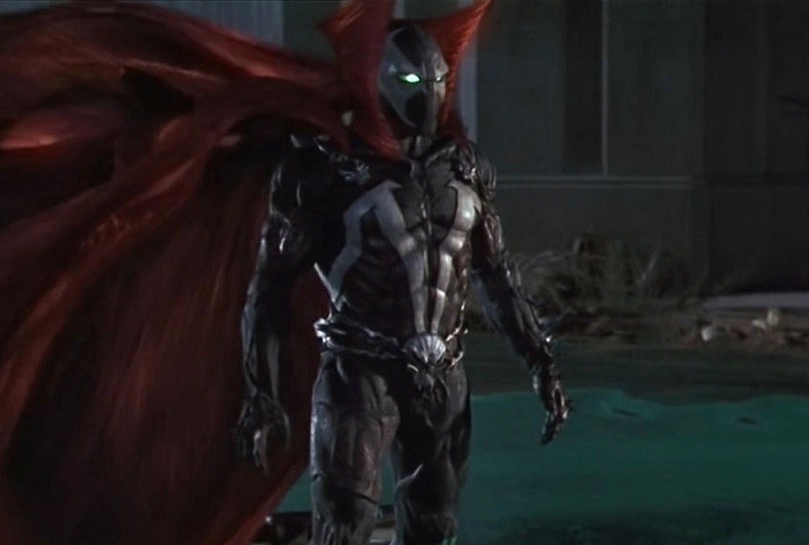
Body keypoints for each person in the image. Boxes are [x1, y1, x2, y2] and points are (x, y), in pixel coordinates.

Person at [235, 20, 571, 545]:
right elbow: (270, 287)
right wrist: (260, 389)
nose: (429, 94)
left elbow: (497, 277)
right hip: (359, 373)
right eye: (414, 82)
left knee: (434, 526)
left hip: (443, 378)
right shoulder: (327, 169)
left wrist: (540, 362)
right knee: (345, 523)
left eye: (438, 82)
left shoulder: (465, 170)